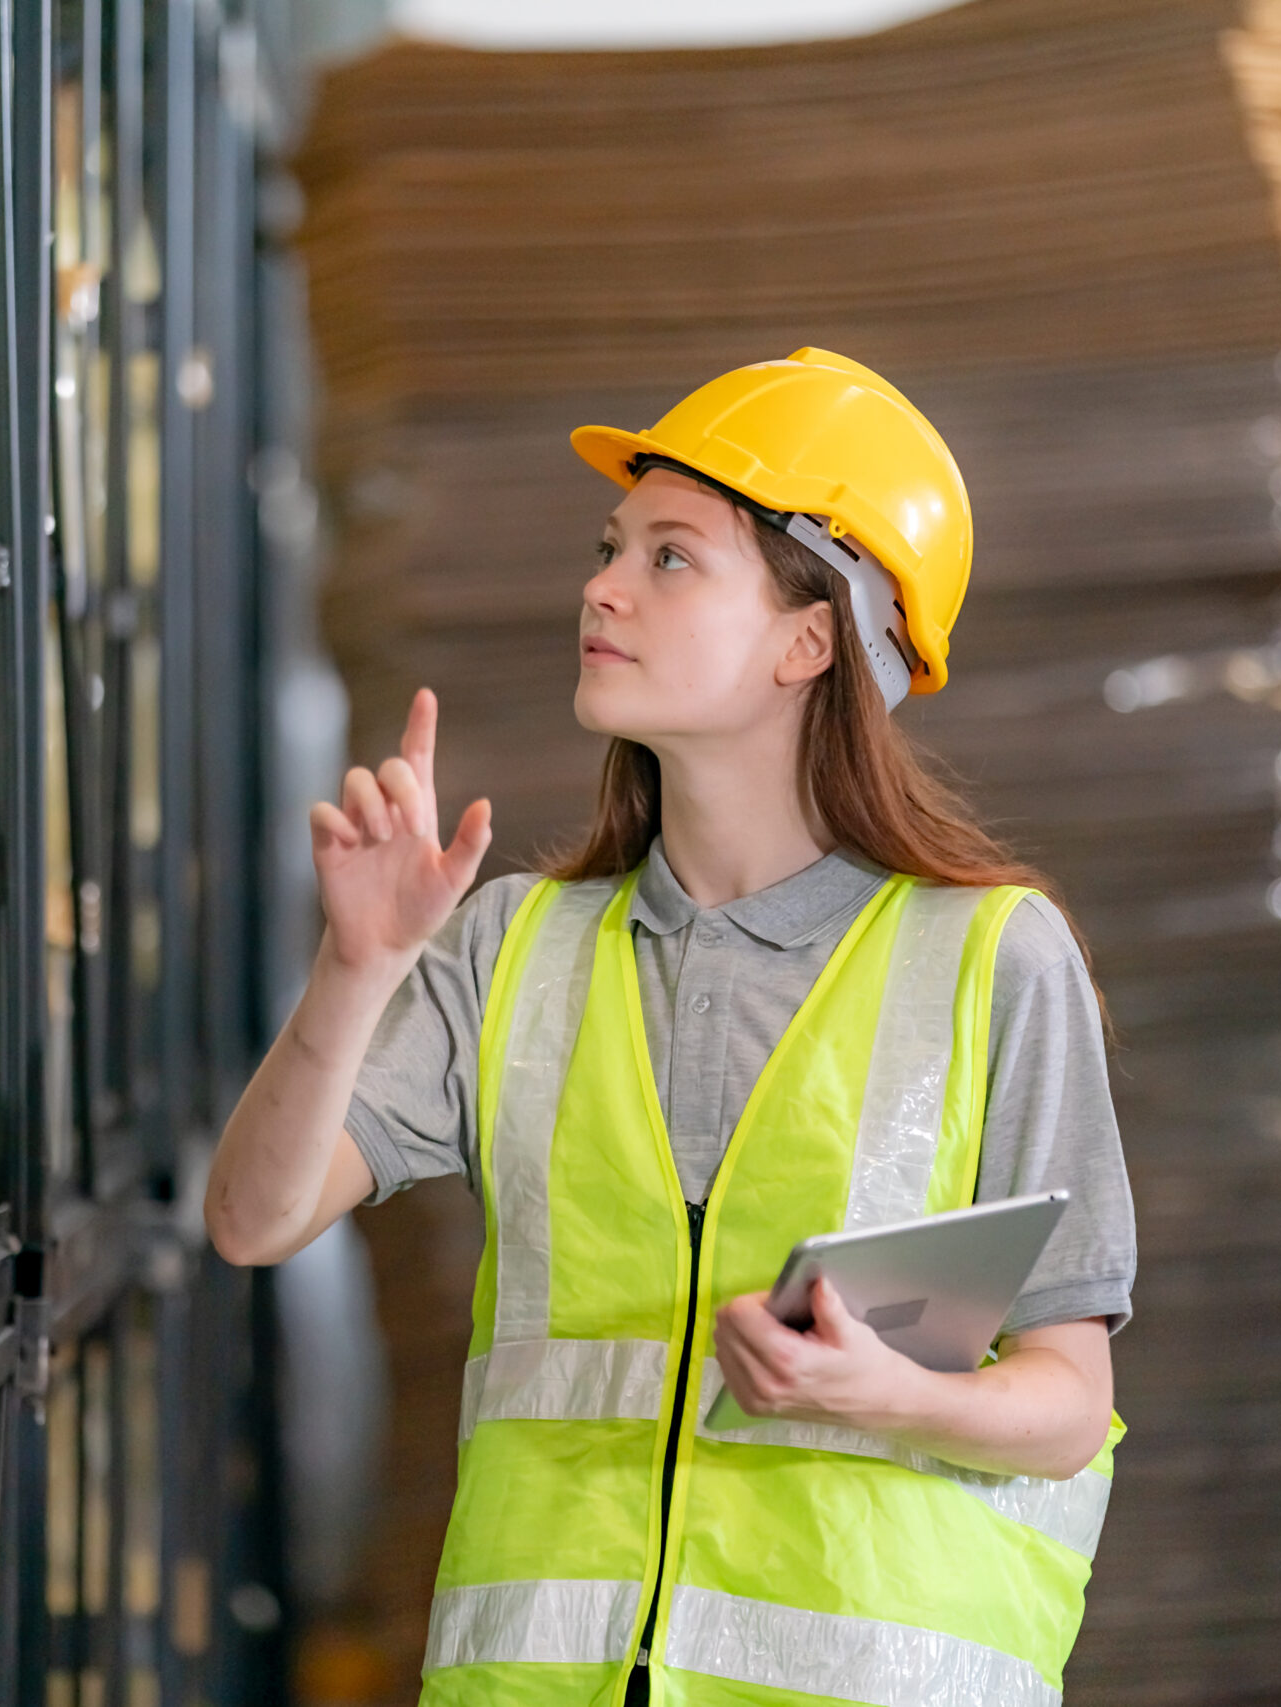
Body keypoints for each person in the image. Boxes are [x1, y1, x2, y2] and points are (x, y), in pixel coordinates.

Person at [206, 348, 1135, 1707]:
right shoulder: (518, 945)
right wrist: (357, 968)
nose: (602, 585)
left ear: (807, 641)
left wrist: (885, 1392)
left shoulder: (992, 957)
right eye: (609, 549)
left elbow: (1064, 1403)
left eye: (672, 558)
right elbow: (253, 1219)